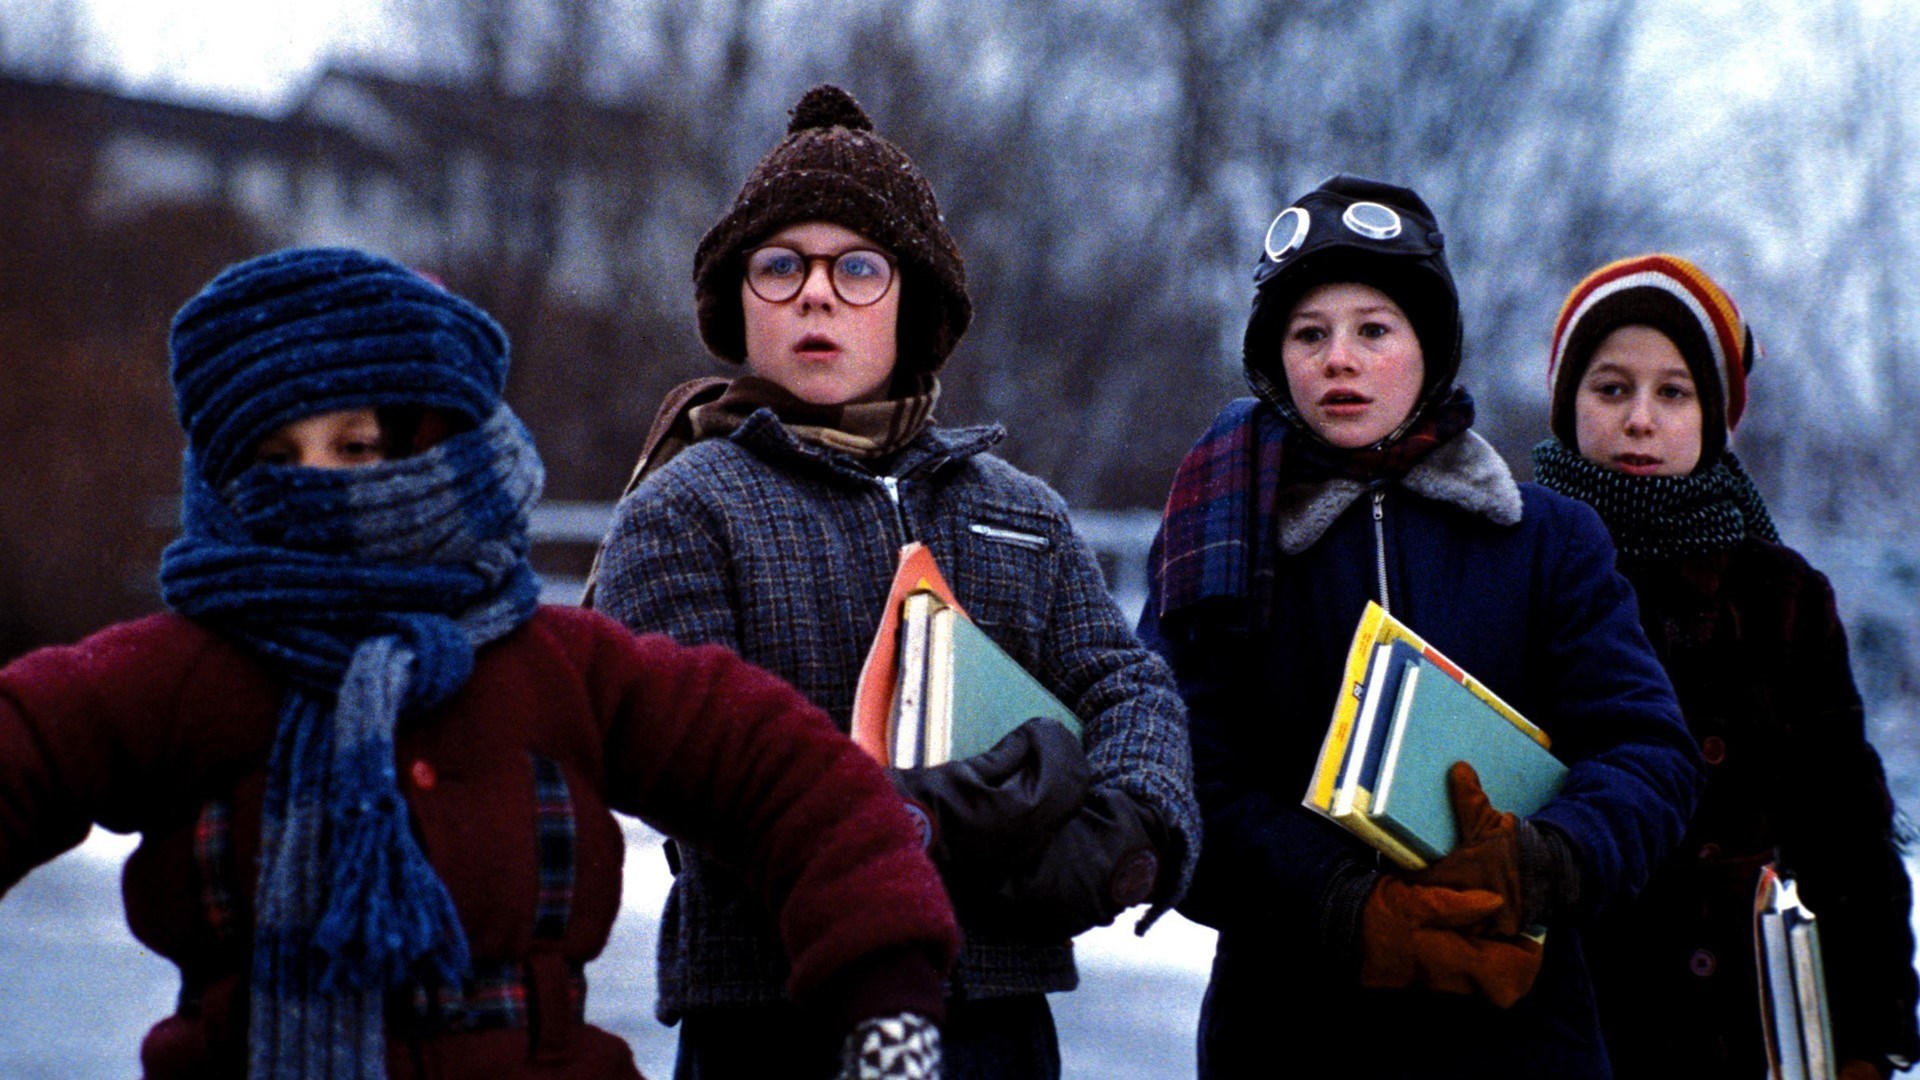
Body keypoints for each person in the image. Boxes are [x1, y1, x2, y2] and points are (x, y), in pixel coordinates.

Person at [0, 246, 960, 1080]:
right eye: (281, 458)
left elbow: (793, 782)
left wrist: (888, 1012)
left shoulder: (562, 670)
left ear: (440, 446)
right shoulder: (181, 677)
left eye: (358, 445)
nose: (320, 485)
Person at [587, 84, 1200, 1079]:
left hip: (1000, 1015)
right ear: (737, 301)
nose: (816, 294)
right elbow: (683, 761)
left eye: (858, 268)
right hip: (774, 1016)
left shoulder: (1020, 509)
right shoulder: (684, 505)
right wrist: (915, 823)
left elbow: (1128, 686)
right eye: (780, 266)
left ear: (915, 302)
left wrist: (1128, 826)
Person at [1135, 175, 1702, 1078]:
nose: (1340, 360)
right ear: (1275, 359)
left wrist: (1546, 859)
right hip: (1287, 1033)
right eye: (1309, 334)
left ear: (1428, 347)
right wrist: (1341, 904)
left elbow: (1647, 753)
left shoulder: (1548, 541)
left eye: (1374, 330)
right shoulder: (1215, 541)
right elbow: (1176, 776)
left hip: (1520, 1038)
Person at [1532, 253, 1920, 1079]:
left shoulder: (1779, 596)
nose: (1641, 419)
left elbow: (1848, 832)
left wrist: (1869, 1037)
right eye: (1612, 388)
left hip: (1746, 1028)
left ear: (1715, 416)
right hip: (1567, 1020)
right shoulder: (1516, 566)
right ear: (1567, 404)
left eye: (1674, 393)